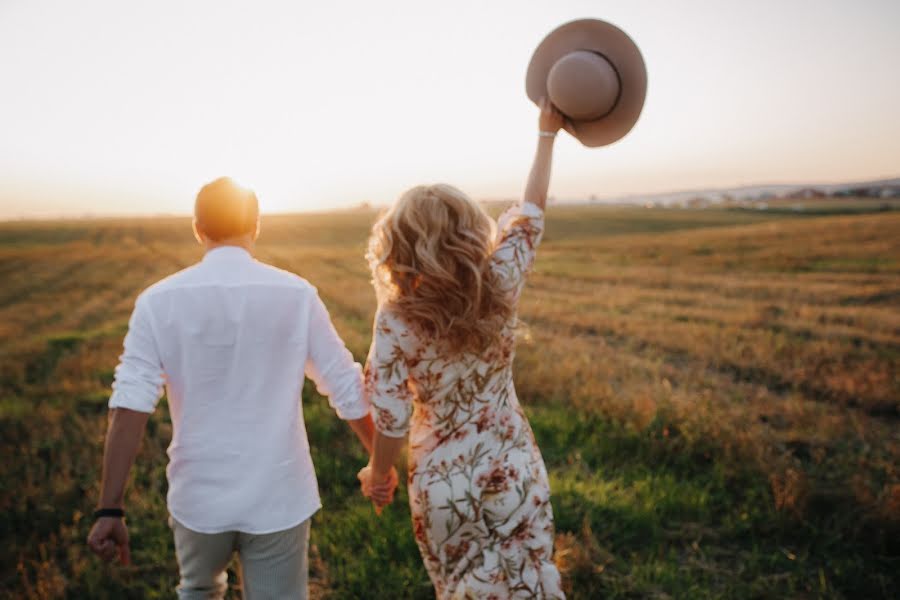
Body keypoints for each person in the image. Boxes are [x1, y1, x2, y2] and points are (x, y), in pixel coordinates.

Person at [86, 177, 393, 599]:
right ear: (257, 226)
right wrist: (381, 465)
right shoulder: (296, 295)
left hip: (198, 495)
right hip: (279, 493)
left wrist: (109, 508)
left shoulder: (157, 302)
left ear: (198, 228)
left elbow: (129, 406)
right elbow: (344, 385)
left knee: (197, 589)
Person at [358, 98, 566, 599]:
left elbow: (389, 415)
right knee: (530, 582)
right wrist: (546, 135)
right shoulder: (499, 282)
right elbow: (531, 213)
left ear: (399, 243)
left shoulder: (395, 318)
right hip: (512, 467)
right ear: (471, 231)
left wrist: (378, 472)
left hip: (442, 489)